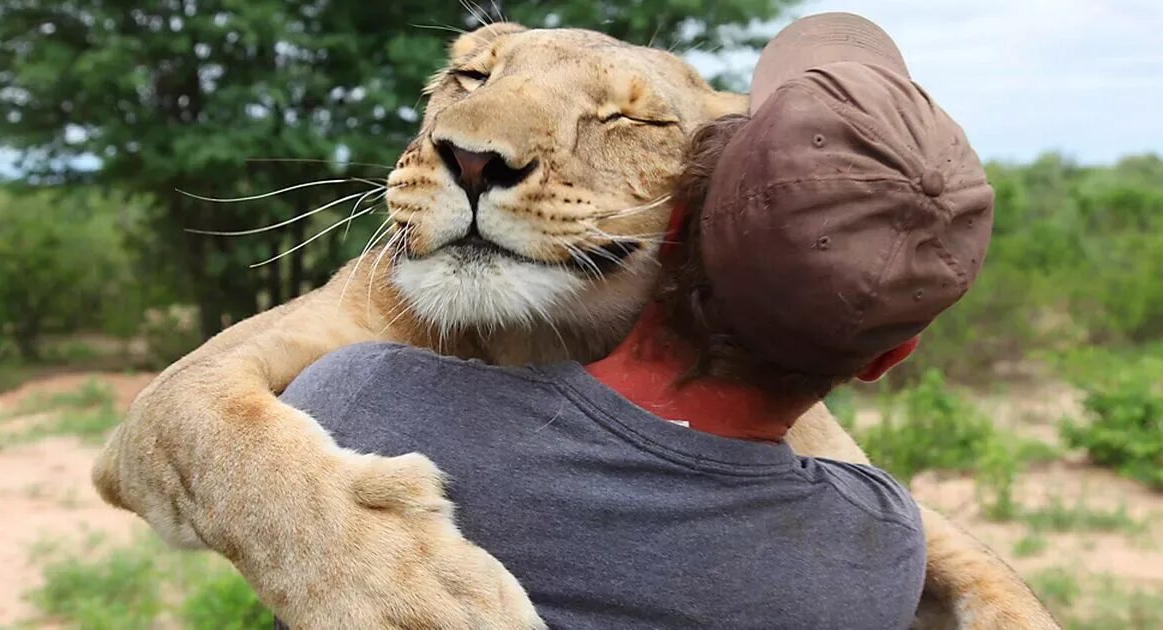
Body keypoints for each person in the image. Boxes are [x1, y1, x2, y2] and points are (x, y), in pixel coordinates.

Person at [274, 12, 992, 630]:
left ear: (682, 213)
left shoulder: (363, 399)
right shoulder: (881, 546)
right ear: (891, 356)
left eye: (635, 122)